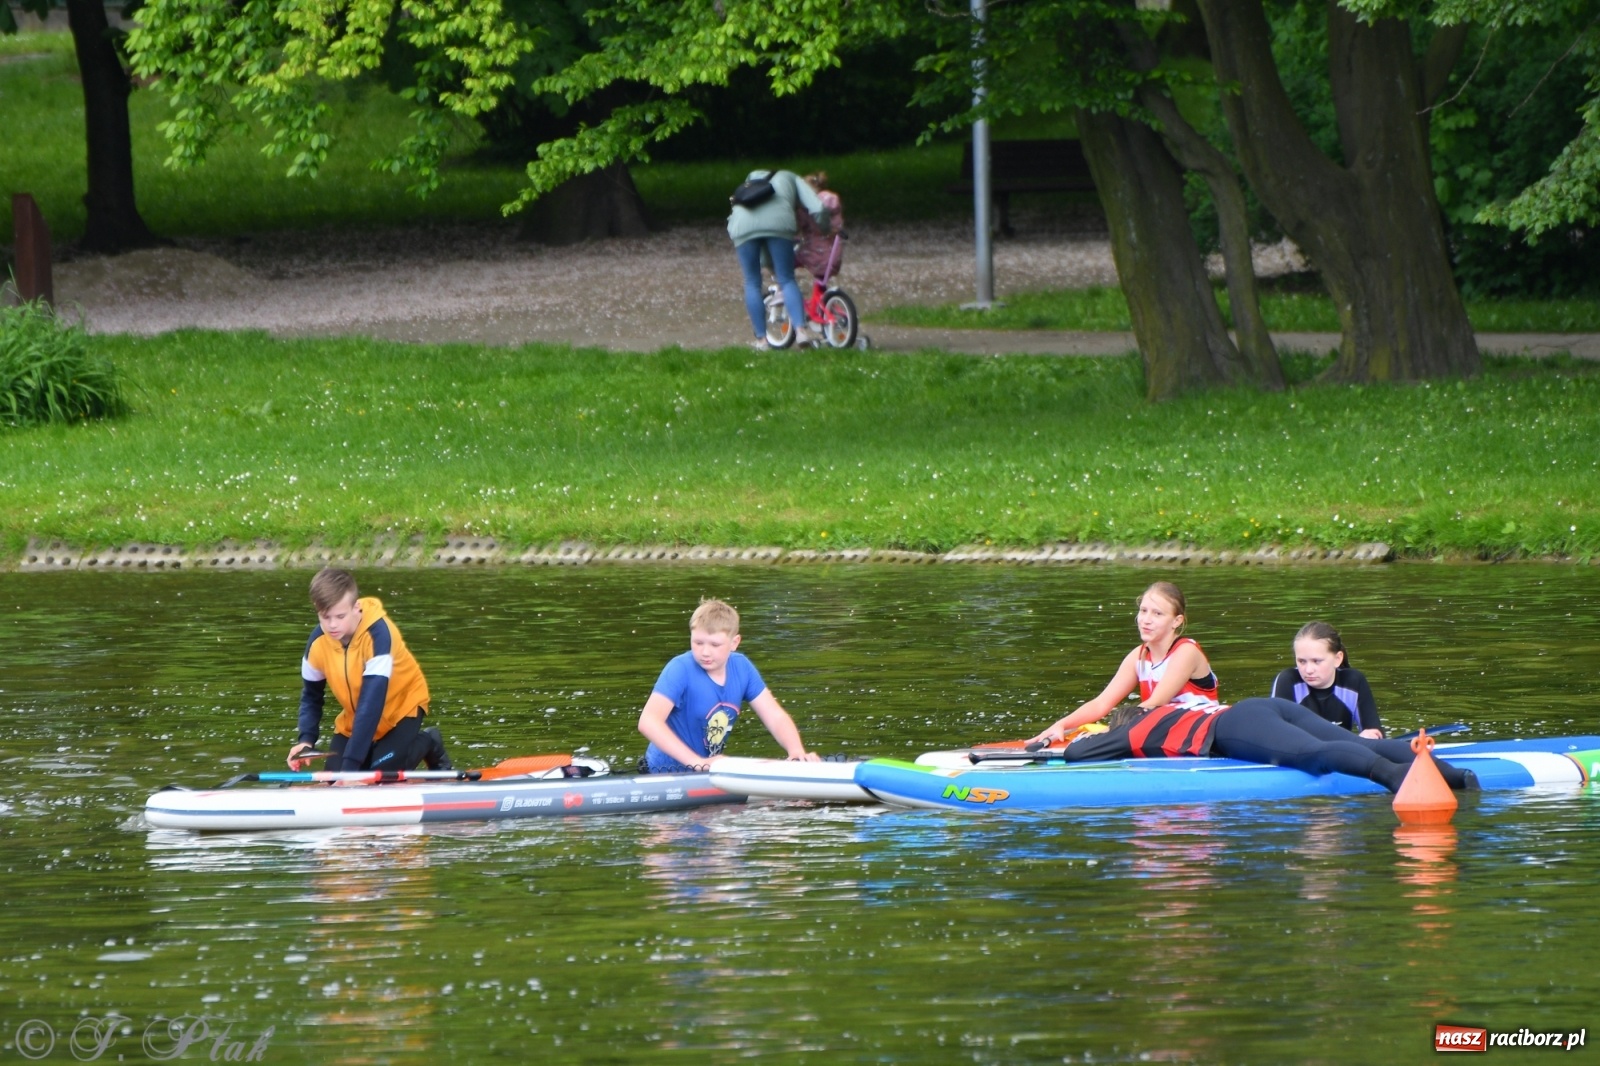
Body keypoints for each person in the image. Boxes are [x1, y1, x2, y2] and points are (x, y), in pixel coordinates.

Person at [1027, 583, 1475, 793]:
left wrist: (1093, 739)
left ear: (1177, 621)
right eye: (1142, 610)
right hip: (1254, 712)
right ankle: (1454, 775)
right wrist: (1059, 726)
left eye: (1155, 612)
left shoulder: (1179, 663)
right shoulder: (1137, 659)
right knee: (1348, 740)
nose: (1145, 619)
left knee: (1315, 755)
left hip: (1233, 725)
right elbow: (1102, 702)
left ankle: (1397, 779)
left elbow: (1145, 708)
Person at [286, 568, 451, 773]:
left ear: (356, 607)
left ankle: (429, 740)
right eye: (325, 617)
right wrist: (306, 740)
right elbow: (311, 697)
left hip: (401, 710)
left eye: (340, 616)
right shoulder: (316, 644)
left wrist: (350, 769)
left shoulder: (379, 635)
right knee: (331, 779)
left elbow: (371, 705)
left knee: (378, 777)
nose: (332, 625)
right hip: (356, 719)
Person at [638, 598, 821, 773]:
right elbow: (648, 721)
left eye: (715, 644)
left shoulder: (742, 667)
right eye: (698, 642)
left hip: (708, 771)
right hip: (662, 773)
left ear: (734, 643)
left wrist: (796, 751)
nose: (705, 652)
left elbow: (774, 716)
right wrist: (697, 762)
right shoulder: (679, 669)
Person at [728, 168, 829, 351]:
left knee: (752, 282)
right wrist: (825, 230)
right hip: (779, 224)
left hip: (742, 225)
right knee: (787, 279)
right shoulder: (792, 177)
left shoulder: (751, 177)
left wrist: (767, 263)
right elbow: (818, 207)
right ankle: (801, 331)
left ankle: (762, 341)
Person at [1270, 621, 1383, 738]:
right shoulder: (1288, 681)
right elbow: (1277, 736)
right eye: (1302, 661)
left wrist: (1370, 736)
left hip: (1343, 748)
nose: (1308, 670)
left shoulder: (1353, 681)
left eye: (1316, 661)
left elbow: (1376, 734)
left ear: (1337, 659)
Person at [795, 171, 844, 282]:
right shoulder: (834, 202)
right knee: (821, 280)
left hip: (813, 252)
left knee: (786, 261)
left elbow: (800, 224)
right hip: (833, 254)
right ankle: (821, 292)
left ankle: (786, 286)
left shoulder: (809, 205)